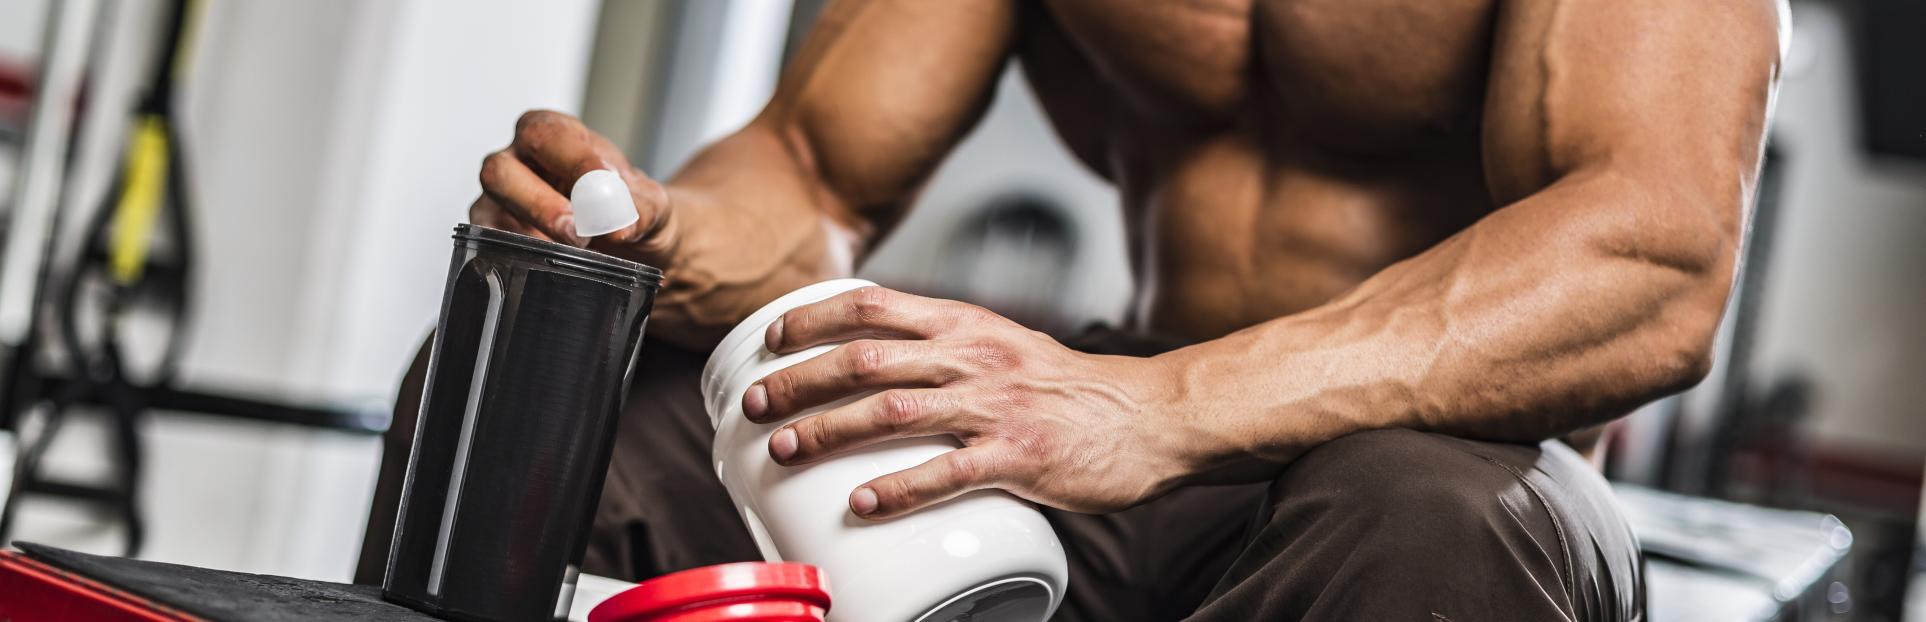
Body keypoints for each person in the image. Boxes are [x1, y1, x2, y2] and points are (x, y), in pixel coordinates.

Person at [358, 1, 1788, 619]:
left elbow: (1650, 256)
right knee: (567, 384)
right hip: (1113, 414)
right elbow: (813, 165)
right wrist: (660, 230)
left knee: (1422, 518)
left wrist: (1158, 408)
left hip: (1458, 451)